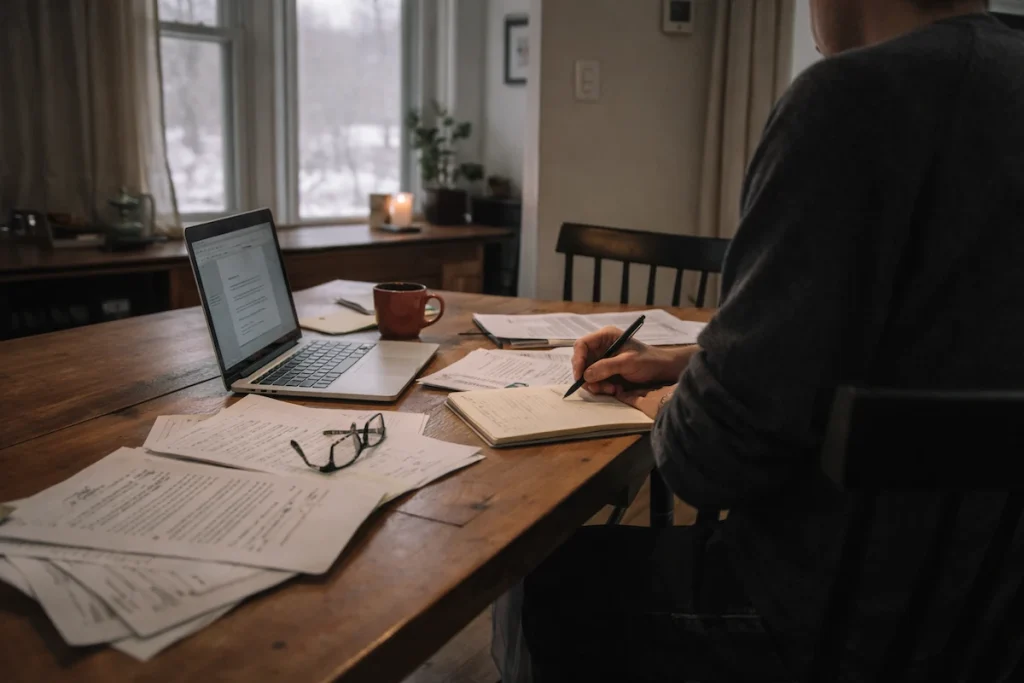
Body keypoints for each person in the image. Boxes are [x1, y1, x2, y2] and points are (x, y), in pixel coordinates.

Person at [493, 0, 1024, 681]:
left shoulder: (848, 101)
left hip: (832, 626)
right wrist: (688, 362)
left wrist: (670, 407)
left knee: (542, 575)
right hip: (993, 613)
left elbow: (706, 461)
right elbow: (927, 340)